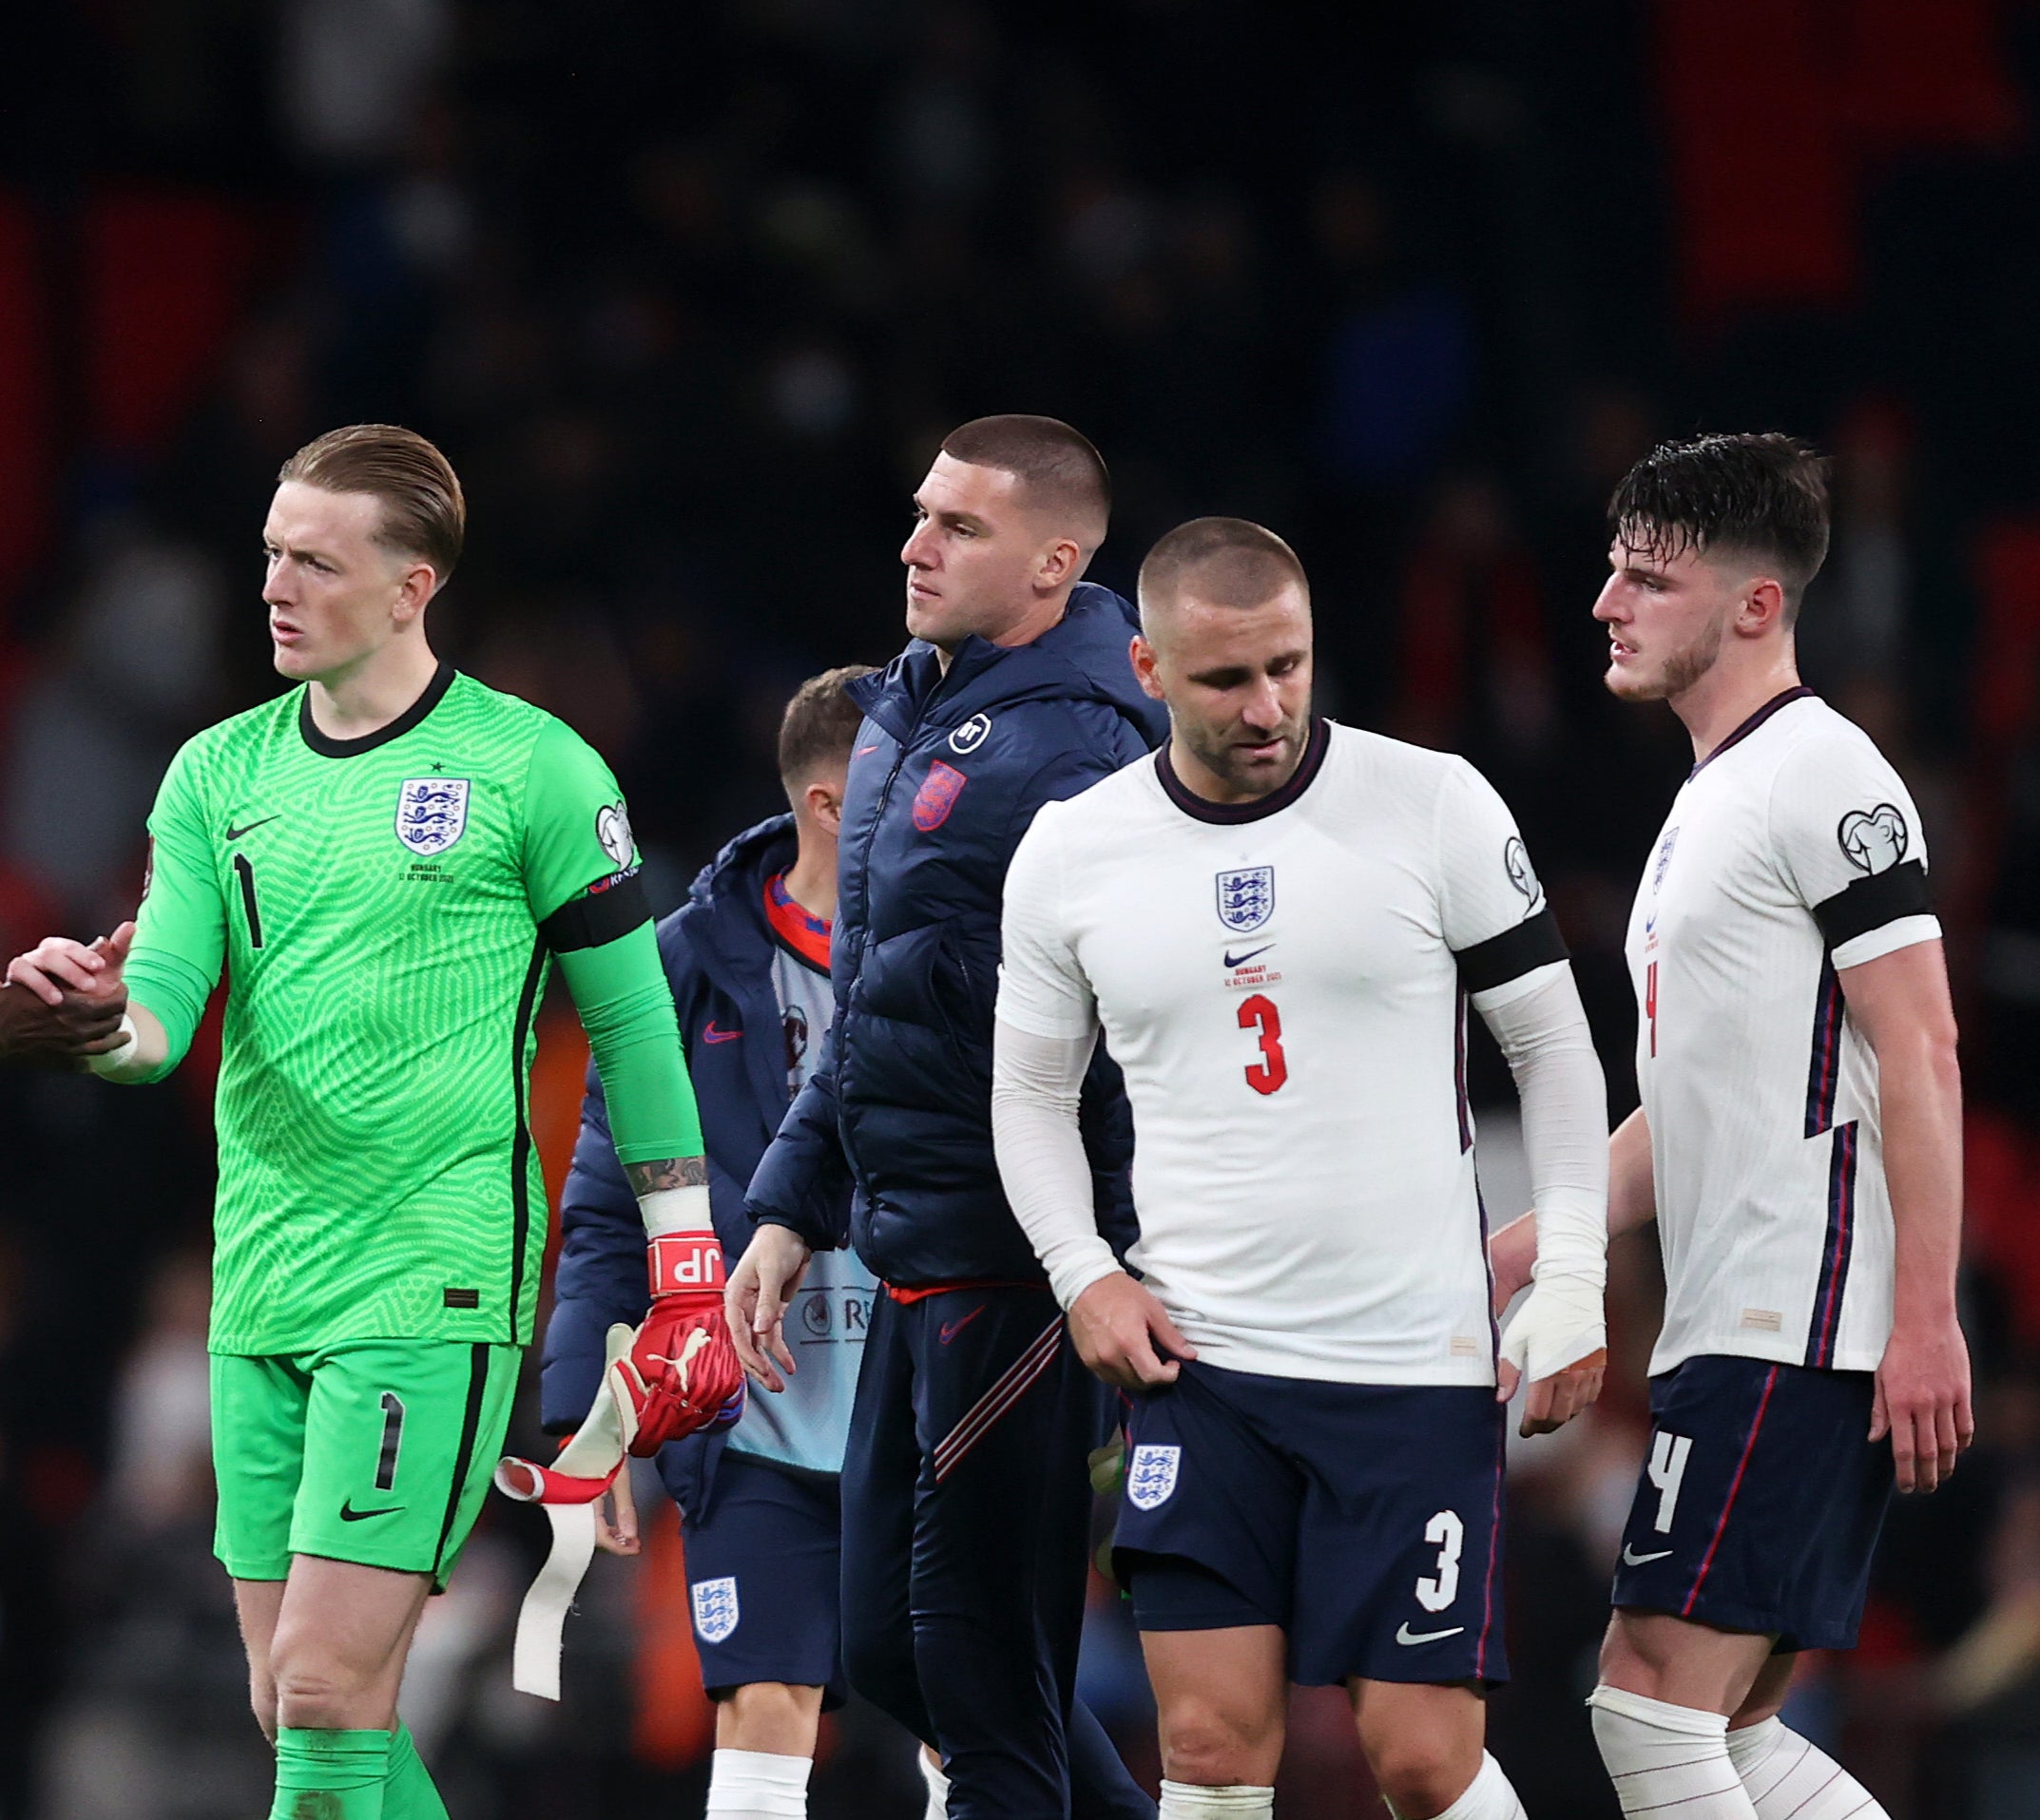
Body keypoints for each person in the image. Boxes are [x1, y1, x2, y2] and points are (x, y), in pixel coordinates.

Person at [2, 424, 739, 1820]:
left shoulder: (533, 768)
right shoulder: (215, 773)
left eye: (315, 561)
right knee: (298, 1702)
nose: (275, 583)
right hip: (262, 1276)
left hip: (430, 1275)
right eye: (271, 551)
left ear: (411, 586)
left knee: (331, 1692)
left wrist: (685, 1257)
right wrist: (89, 1019)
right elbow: (159, 1007)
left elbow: (636, 1026)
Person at [987, 518, 1611, 1820]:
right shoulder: (1070, 851)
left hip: (1408, 1364)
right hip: (1200, 1366)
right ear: (1147, 667)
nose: (1266, 704)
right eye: (1226, 679)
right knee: (1210, 1743)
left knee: (1422, 1757)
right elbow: (1031, 1094)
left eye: (1288, 663)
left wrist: (1574, 1271)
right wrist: (1082, 1274)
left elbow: (1554, 1047)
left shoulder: (1429, 801)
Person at [1492, 431, 1970, 1819]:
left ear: (1756, 605)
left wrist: (1926, 1314)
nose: (1604, 600)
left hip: (1791, 1319)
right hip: (1747, 1315)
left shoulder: (1823, 772)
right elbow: (1697, 1102)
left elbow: (1921, 1042)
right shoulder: (1713, 795)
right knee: (1727, 1724)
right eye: (1609, 568)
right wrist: (1547, 1229)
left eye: (1646, 575)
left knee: (1645, 1702)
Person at [728, 416, 1161, 1820]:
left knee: (981, 1692)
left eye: (955, 527)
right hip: (912, 1243)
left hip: (1019, 1262)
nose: (913, 544)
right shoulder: (913, 699)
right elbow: (868, 994)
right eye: (920, 514)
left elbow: (1113, 1016)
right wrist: (795, 1203)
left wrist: (1101, 1250)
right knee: (891, 1653)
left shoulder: (1090, 741)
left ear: (1052, 563)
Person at [544, 666, 876, 1820]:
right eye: (913, 777)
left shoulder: (967, 947)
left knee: (970, 1719)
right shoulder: (682, 963)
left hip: (936, 1401)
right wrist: (590, 1415)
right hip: (755, 1419)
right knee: (759, 1708)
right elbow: (603, 1201)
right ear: (830, 803)